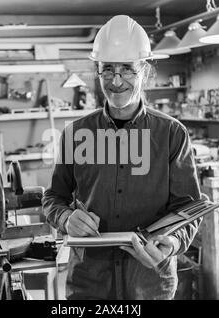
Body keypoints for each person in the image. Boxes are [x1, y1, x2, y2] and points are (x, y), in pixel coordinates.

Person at [42, 15, 201, 300]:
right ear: (97, 71)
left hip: (150, 283)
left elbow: (188, 209)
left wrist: (172, 243)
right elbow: (53, 197)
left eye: (127, 69)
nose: (116, 81)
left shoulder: (172, 134)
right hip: (89, 284)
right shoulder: (75, 134)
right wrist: (66, 218)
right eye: (107, 70)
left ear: (145, 70)